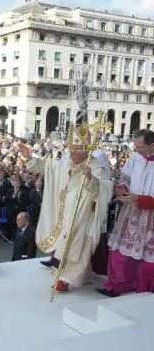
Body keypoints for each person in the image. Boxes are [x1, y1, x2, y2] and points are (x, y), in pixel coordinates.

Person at [17, 122, 113, 292]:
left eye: (75, 152)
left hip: (82, 215)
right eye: (71, 150)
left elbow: (106, 188)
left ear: (85, 151)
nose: (72, 154)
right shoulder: (66, 162)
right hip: (64, 212)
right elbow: (47, 166)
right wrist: (29, 157)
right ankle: (81, 275)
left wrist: (91, 179)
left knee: (75, 247)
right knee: (65, 244)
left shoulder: (95, 166)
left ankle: (63, 279)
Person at [97, 129, 154, 297]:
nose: (136, 151)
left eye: (140, 147)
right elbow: (126, 179)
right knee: (119, 252)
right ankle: (115, 286)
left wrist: (140, 199)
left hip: (150, 217)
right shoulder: (135, 158)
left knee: (144, 258)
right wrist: (123, 189)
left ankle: (141, 291)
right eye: (134, 147)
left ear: (152, 145)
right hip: (131, 212)